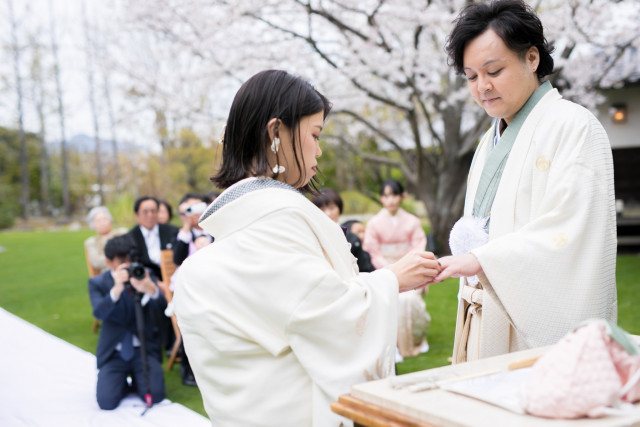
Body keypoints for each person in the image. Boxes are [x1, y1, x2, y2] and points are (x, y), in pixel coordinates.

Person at [172, 69, 440, 426]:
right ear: (276, 132)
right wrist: (392, 279)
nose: (320, 149)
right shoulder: (272, 221)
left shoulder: (251, 221)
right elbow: (327, 315)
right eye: (315, 134)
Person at [436, 0, 617, 363]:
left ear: (531, 58)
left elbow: (571, 231)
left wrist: (482, 260)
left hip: (533, 328)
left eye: (494, 70)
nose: (482, 87)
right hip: (482, 313)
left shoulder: (574, 126)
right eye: (471, 76)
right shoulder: (490, 140)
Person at [88, 235, 167, 410]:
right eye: (120, 261)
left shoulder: (143, 274)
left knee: (156, 395)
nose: (126, 265)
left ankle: (140, 382)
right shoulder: (98, 282)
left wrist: (148, 287)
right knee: (106, 402)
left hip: (143, 349)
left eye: (129, 260)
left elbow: (162, 306)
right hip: (114, 352)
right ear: (109, 263)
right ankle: (120, 383)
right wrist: (117, 289)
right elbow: (99, 313)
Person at [363, 178, 431, 361]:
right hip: (385, 270)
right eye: (385, 196)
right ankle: (392, 345)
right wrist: (391, 270)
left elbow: (418, 245)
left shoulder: (412, 221)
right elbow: (372, 251)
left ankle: (413, 342)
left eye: (393, 195)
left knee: (408, 299)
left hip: (410, 268)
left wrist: (408, 268)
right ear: (381, 199)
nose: (390, 200)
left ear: (402, 196)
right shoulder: (374, 224)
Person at [311, 188, 375, 273]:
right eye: (322, 209)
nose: (328, 213)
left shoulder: (352, 239)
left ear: (339, 208)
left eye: (332, 208)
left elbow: (364, 268)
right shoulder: (310, 236)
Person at [126, 196, 179, 281]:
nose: (150, 215)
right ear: (136, 215)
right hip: (145, 282)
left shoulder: (173, 231)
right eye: (145, 212)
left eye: (153, 211)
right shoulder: (130, 238)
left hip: (174, 278)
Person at [173, 193, 214, 266]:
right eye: (190, 209)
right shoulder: (180, 234)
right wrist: (186, 225)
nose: (196, 213)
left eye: (198, 207)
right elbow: (178, 260)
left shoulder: (215, 230)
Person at [84, 206, 126, 274]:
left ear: (110, 220)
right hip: (108, 273)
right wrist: (120, 258)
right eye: (98, 221)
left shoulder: (122, 233)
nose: (102, 223)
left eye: (104, 219)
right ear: (93, 224)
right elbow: (96, 262)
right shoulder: (92, 242)